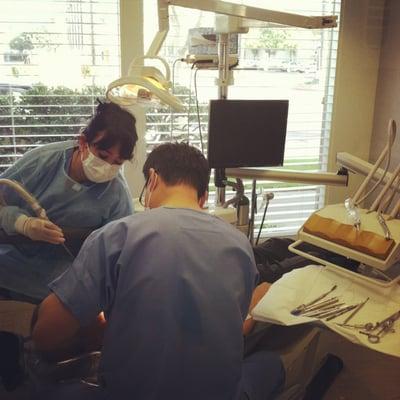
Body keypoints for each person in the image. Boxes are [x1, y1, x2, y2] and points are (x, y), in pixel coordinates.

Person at [31, 142, 284, 400]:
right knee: (271, 365)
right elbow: (232, 328)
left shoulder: (116, 236)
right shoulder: (240, 245)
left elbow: (45, 334)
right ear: (203, 197)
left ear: (152, 179)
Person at [0, 100, 138, 302]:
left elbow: (120, 249)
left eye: (117, 162)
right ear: (83, 142)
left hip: (62, 281)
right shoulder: (43, 161)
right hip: (9, 262)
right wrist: (22, 224)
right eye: (102, 155)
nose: (108, 166)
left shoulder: (116, 194)